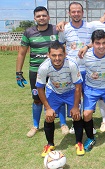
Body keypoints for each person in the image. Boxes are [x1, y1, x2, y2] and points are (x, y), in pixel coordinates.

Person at [16, 6, 68, 138]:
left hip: (55, 70)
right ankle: (35, 126)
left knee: (59, 95)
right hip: (36, 71)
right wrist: (18, 72)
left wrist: (63, 23)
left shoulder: (55, 29)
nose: (41, 18)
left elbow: (71, 24)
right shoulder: (28, 32)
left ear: (48, 17)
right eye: (38, 16)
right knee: (37, 99)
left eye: (44, 15)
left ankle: (63, 124)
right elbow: (22, 53)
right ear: (34, 18)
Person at [36, 41, 84, 157]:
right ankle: (50, 144)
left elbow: (78, 86)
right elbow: (40, 88)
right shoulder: (43, 67)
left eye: (60, 55)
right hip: (54, 92)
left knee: (77, 116)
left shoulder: (72, 64)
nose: (57, 58)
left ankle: (79, 143)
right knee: (49, 117)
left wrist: (75, 107)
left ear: (65, 54)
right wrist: (47, 108)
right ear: (48, 55)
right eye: (54, 55)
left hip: (71, 91)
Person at [58, 2, 97, 135]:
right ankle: (76, 122)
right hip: (71, 70)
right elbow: (61, 45)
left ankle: (89, 124)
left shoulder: (90, 26)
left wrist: (87, 47)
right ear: (69, 13)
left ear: (82, 12)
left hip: (88, 68)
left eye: (78, 11)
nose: (76, 14)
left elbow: (97, 41)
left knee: (87, 96)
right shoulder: (65, 28)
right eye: (73, 12)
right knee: (75, 97)